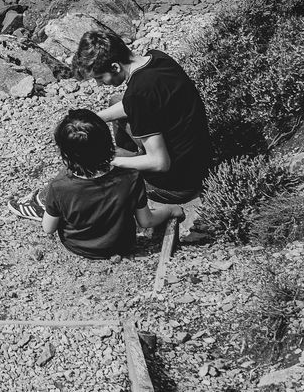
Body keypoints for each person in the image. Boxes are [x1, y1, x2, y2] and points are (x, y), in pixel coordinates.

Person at [11, 29, 212, 219]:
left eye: (99, 78)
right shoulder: (157, 59)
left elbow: (160, 163)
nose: (99, 84)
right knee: (116, 101)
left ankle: (45, 203)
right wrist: (93, 120)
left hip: (175, 184)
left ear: (115, 66)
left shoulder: (140, 93)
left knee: (86, 158)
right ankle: (129, 154)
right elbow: (130, 104)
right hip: (194, 159)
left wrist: (109, 162)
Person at [40, 110, 183, 259]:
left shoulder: (59, 186)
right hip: (122, 245)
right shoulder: (131, 177)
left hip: (77, 246)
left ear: (66, 154)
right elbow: (146, 221)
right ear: (108, 143)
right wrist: (171, 210)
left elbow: (48, 228)